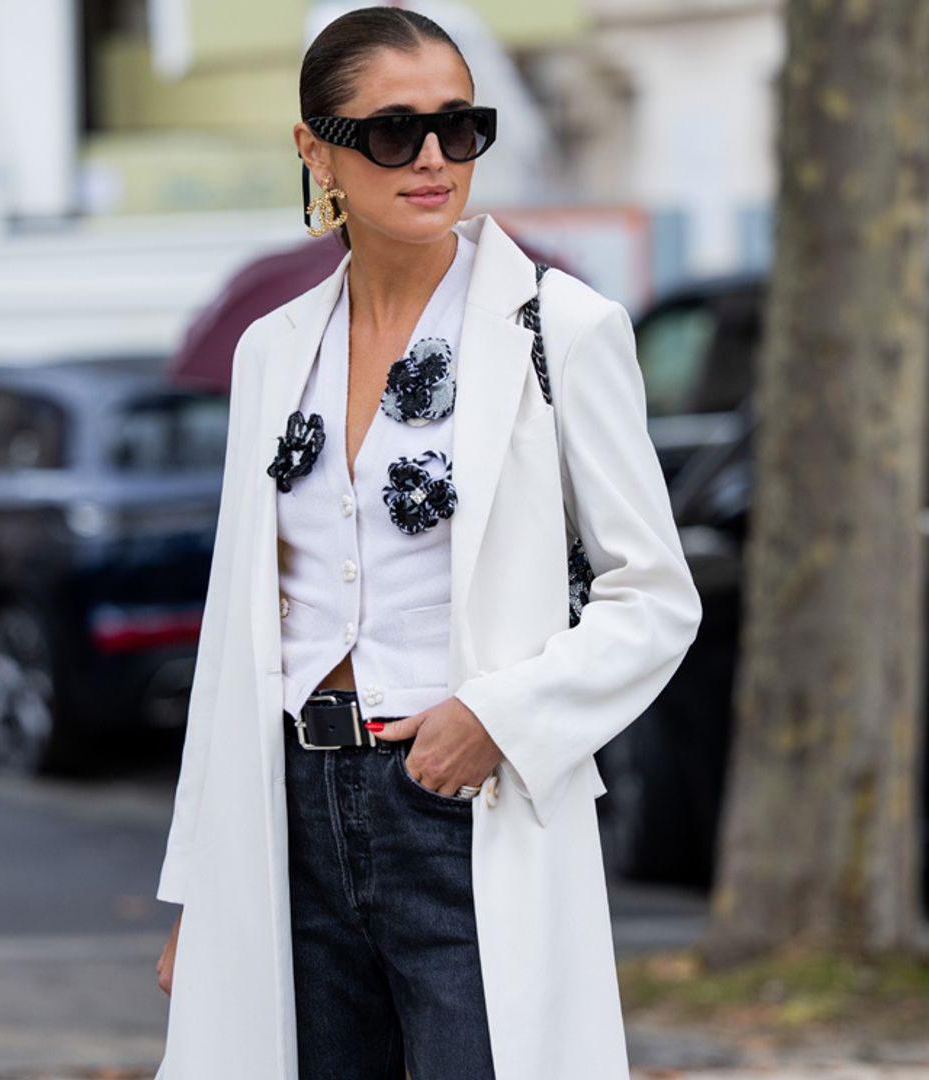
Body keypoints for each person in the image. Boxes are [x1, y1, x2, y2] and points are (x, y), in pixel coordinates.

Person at [152, 8, 702, 1079]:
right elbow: (236, 640)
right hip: (288, 813)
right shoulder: (274, 351)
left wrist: (495, 719)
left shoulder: (561, 328)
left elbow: (654, 598)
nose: (437, 159)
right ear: (316, 149)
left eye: (462, 126)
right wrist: (203, 890)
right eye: (395, 133)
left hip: (461, 804)